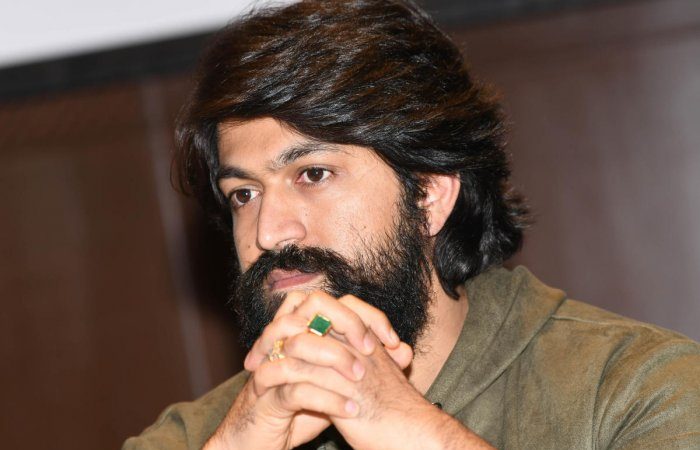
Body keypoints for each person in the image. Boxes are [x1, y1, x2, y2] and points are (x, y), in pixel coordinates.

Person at [123, 1, 700, 449]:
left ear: (428, 195)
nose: (269, 233)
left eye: (313, 174)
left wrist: (404, 426)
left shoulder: (640, 390)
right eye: (244, 194)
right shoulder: (196, 435)